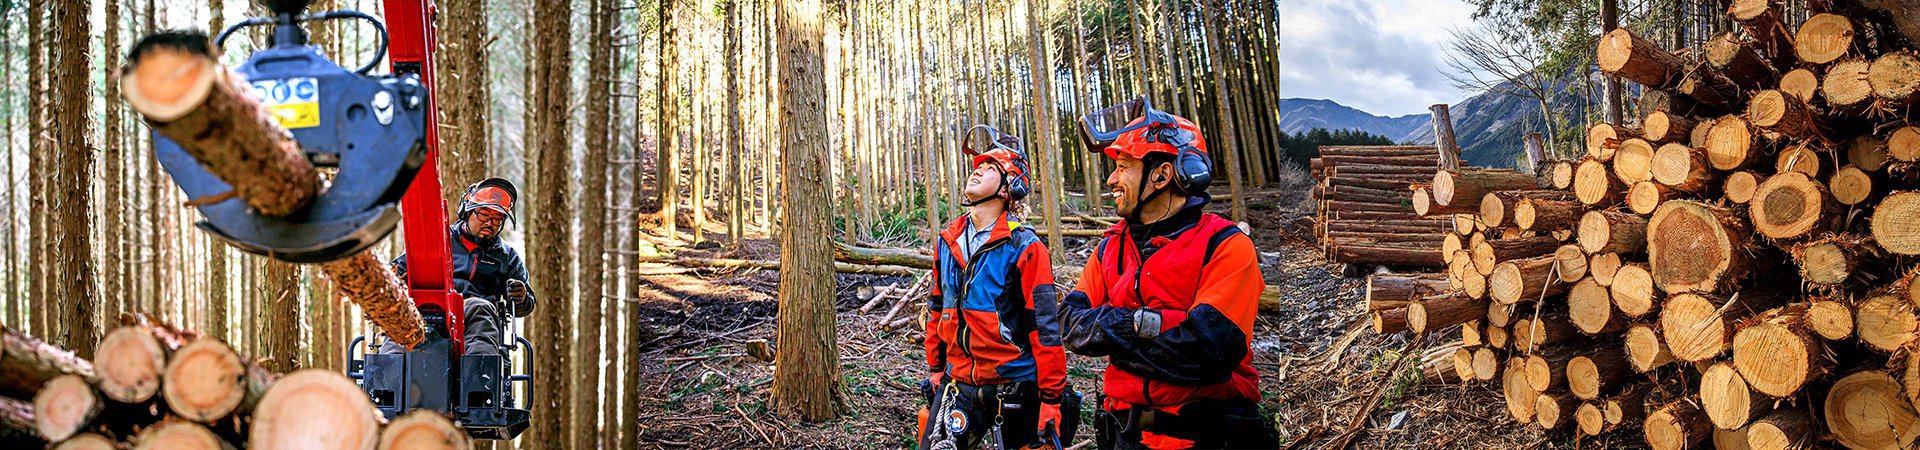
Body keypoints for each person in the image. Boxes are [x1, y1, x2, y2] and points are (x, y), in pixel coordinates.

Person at [1059, 98, 1277, 449]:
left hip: (1202, 436)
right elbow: (1070, 323)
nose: (1112, 178)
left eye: (1124, 166)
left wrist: (1111, 332)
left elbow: (1206, 352)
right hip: (1123, 433)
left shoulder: (1225, 245)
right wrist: (1140, 325)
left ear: (1162, 175)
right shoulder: (1109, 247)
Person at [919, 125, 1072, 450]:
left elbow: (1044, 328)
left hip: (1015, 383)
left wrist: (1051, 398)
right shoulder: (948, 242)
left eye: (990, 169)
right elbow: (938, 308)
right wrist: (935, 367)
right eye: (977, 166)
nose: (977, 172)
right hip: (959, 381)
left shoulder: (1025, 247)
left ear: (1008, 188)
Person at [389, 177, 537, 355]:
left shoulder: (507, 256)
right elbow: (401, 269)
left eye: (497, 219)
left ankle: (480, 376)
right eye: (483, 214)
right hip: (430, 310)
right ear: (468, 211)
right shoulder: (437, 240)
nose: (489, 223)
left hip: (473, 318)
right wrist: (391, 275)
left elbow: (526, 305)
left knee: (480, 307)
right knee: (403, 319)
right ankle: (385, 376)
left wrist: (520, 297)